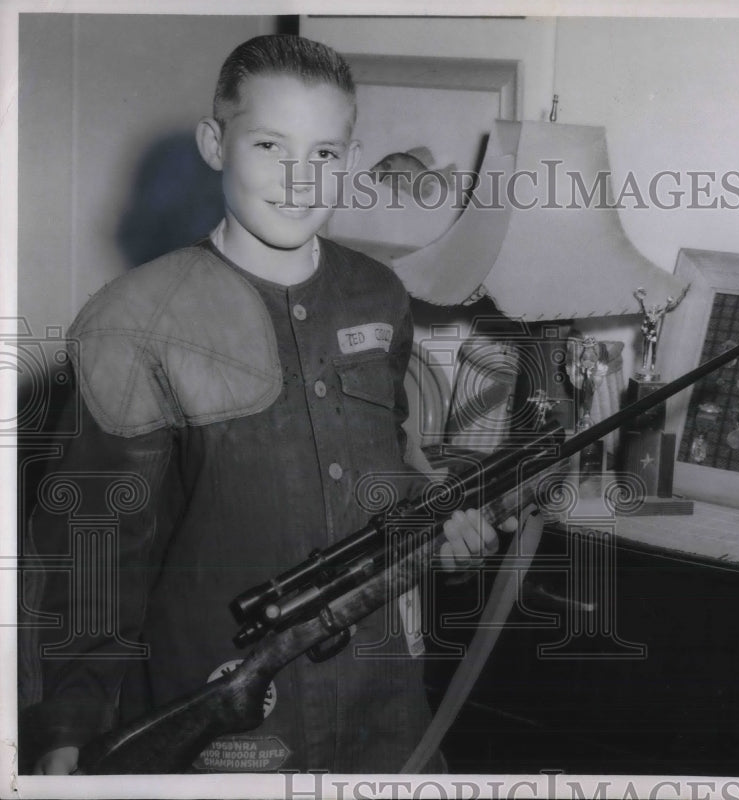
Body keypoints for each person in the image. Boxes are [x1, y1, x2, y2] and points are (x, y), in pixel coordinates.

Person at [23, 34, 507, 775]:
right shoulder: (135, 320)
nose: (301, 181)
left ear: (349, 157)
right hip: (221, 729)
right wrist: (68, 728)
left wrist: (442, 523)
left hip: (384, 718)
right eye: (270, 145)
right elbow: (97, 553)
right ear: (215, 144)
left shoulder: (379, 294)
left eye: (323, 154)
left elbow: (382, 470)